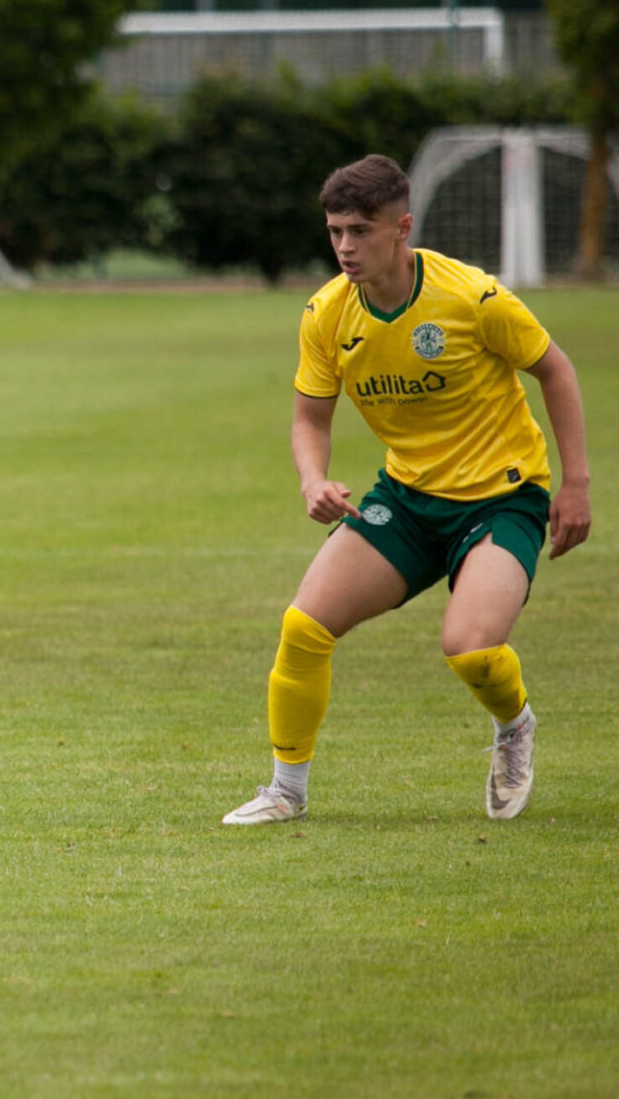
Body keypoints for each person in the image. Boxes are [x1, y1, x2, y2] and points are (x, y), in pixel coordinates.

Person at [224, 154, 592, 826]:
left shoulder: (470, 296)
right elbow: (310, 417)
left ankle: (514, 726)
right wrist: (313, 480)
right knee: (304, 627)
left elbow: (555, 370)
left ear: (402, 227)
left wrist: (577, 484)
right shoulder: (327, 314)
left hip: (501, 497)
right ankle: (286, 790)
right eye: (335, 231)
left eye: (360, 231)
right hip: (408, 497)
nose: (344, 246)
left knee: (472, 647)